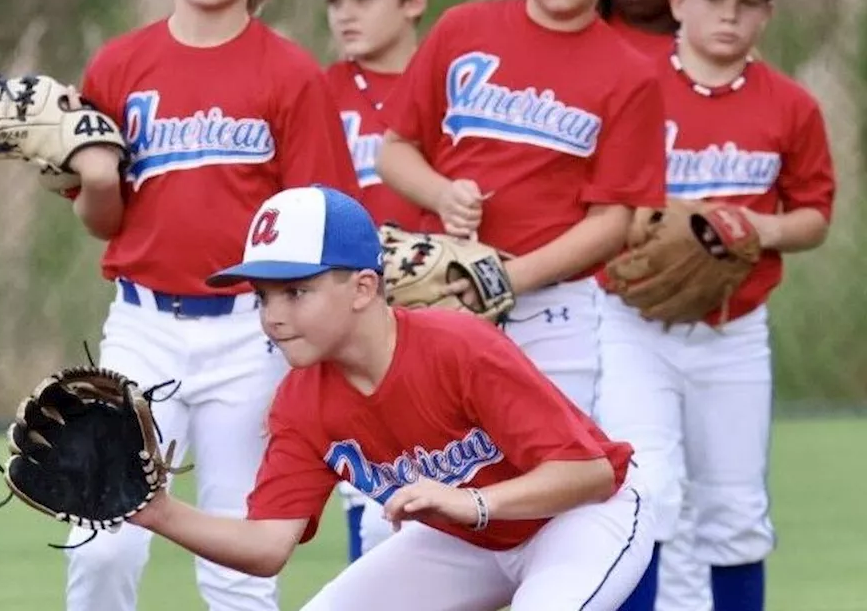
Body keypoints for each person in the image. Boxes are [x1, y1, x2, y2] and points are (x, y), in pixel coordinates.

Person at [126, 185, 654, 611]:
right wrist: (159, 513)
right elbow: (267, 546)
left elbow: (590, 475)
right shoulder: (300, 403)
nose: (273, 315)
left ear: (361, 288)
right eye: (262, 296)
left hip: (583, 521)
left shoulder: (457, 347)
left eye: (296, 291)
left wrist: (473, 503)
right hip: (471, 542)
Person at [61, 0, 362, 609]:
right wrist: (100, 180)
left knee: (239, 563)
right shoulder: (118, 65)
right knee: (102, 538)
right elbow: (100, 222)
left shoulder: (290, 74)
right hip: (142, 325)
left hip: (252, 333)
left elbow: (321, 222)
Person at [595, 0, 836, 610]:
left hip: (733, 331)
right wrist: (668, 219)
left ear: (767, 15)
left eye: (747, 2)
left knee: (735, 510)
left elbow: (814, 214)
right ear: (677, 2)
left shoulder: (791, 106)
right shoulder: (632, 89)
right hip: (632, 325)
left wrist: (756, 229)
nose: (728, 15)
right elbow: (601, 200)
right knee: (647, 496)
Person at [375, 0, 667, 418]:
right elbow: (395, 151)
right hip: (442, 291)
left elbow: (612, 220)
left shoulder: (630, 73)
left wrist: (503, 279)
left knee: (552, 472)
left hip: (553, 312)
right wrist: (442, 193)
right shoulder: (463, 28)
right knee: (442, 467)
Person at [298, 0, 432, 563]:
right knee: (373, 497)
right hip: (351, 314)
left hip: (441, 311)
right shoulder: (314, 89)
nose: (345, 13)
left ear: (413, 1)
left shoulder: (455, 83)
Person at [596, 0, 714, 610]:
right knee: (637, 490)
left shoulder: (710, 58)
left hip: (673, 310)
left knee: (693, 503)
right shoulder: (582, 46)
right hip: (575, 300)